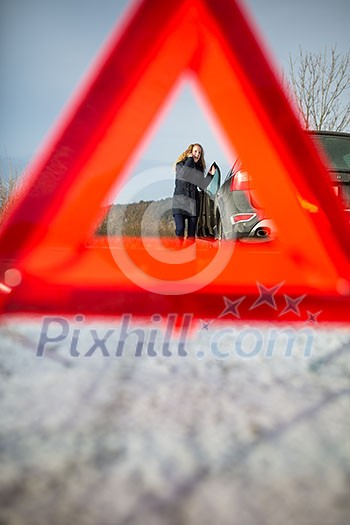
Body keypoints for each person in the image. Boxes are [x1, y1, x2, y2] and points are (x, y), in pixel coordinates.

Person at [172, 143, 216, 240]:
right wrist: (190, 159)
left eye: (199, 153)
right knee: (180, 230)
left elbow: (202, 186)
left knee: (191, 235)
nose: (197, 154)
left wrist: (210, 175)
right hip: (179, 202)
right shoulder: (180, 164)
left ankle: (188, 253)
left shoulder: (199, 169)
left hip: (192, 204)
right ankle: (179, 251)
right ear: (190, 152)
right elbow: (183, 173)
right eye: (195, 151)